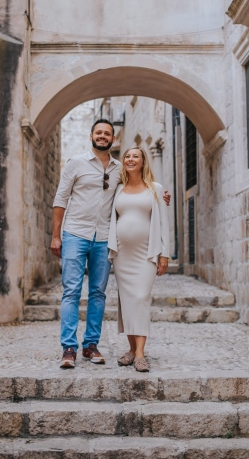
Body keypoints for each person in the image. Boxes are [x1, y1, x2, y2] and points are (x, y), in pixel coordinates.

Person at [51, 120, 170, 369]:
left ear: (113, 138)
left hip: (104, 238)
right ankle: (69, 348)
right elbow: (61, 198)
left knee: (98, 293)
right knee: (71, 291)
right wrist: (56, 235)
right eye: (99, 133)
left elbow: (141, 188)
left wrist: (162, 195)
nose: (102, 136)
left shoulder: (119, 169)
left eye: (107, 133)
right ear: (91, 135)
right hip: (75, 232)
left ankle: (91, 345)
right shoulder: (75, 163)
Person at [108, 147, 170, 372]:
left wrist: (164, 254)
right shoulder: (118, 189)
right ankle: (132, 350)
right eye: (127, 156)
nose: (130, 159)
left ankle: (141, 354)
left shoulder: (156, 189)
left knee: (141, 297)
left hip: (146, 253)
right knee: (127, 301)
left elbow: (163, 222)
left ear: (143, 162)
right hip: (122, 254)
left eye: (136, 156)